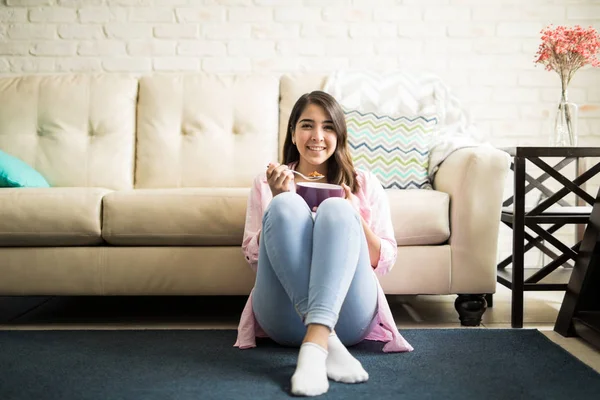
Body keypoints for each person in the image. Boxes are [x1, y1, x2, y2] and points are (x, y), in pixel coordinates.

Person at [234, 90, 413, 397]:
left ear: (339, 134)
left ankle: (316, 343)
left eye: (328, 126)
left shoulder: (365, 183)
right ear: (293, 132)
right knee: (284, 206)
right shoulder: (266, 183)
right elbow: (254, 258)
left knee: (338, 208)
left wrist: (355, 218)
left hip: (351, 317)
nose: (317, 136)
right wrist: (280, 200)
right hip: (283, 318)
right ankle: (323, 342)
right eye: (307, 125)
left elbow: (383, 261)